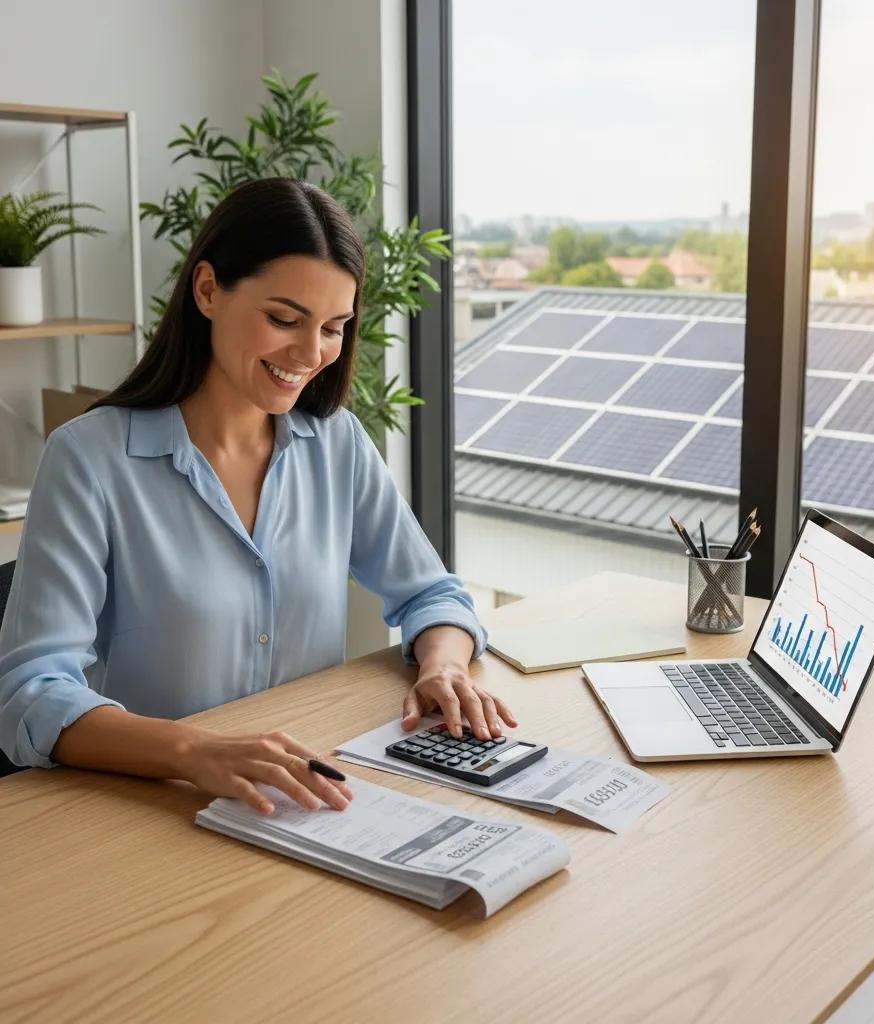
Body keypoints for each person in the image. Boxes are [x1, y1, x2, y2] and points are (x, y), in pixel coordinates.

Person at [0, 177, 515, 815]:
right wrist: (193, 751)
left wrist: (444, 666)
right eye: (283, 319)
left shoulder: (337, 444)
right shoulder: (88, 459)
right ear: (209, 290)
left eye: (333, 327)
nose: (311, 353)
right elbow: (30, 691)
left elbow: (432, 594)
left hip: (309, 799)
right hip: (151, 809)